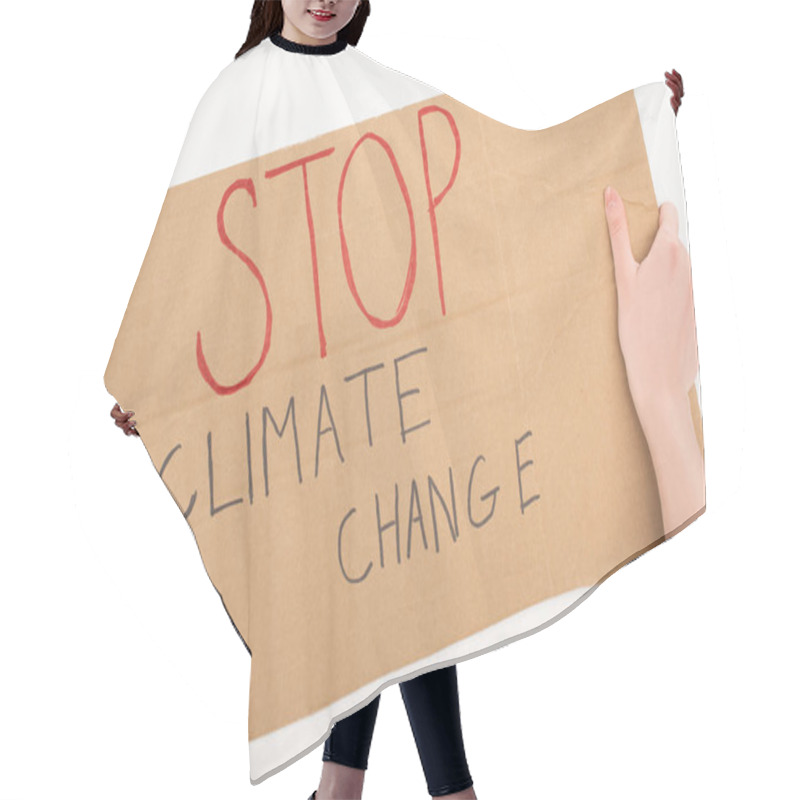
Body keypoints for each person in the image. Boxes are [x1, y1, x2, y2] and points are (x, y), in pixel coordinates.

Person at [110, 2, 687, 798]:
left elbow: (497, 187)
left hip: (396, 383)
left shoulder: (376, 88)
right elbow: (192, 257)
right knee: (382, 589)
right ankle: (431, 790)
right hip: (307, 402)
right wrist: (152, 376)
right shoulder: (236, 96)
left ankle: (351, 789)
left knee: (407, 577)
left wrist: (629, 137)